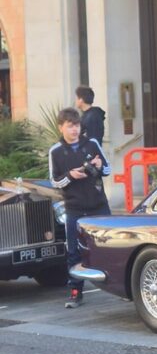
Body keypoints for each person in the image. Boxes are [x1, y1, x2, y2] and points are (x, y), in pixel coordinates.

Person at [49, 108, 111, 308]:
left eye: (76, 125)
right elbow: (54, 181)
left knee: (109, 246)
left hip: (98, 205)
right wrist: (70, 175)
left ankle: (118, 287)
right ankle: (76, 292)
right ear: (61, 127)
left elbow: (108, 169)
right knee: (74, 252)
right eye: (70, 126)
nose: (74, 130)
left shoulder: (91, 144)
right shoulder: (55, 151)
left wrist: (98, 166)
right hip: (74, 208)